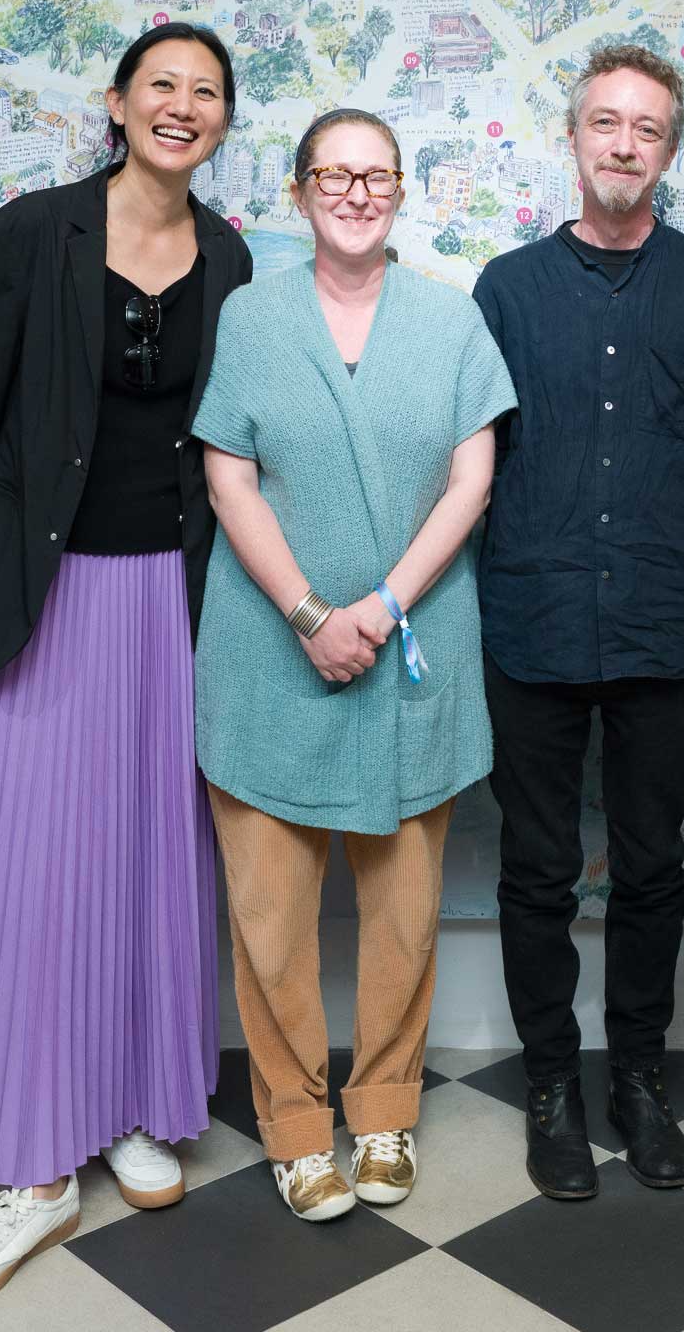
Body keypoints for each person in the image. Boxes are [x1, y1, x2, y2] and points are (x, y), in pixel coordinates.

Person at [0, 22, 252, 1307]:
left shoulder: (229, 255)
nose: (182, 105)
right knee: (31, 872)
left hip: (173, 598)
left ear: (223, 122)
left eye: (205, 92)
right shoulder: (30, 233)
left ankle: (129, 1107)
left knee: (150, 861)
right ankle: (31, 1167)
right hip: (39, 592)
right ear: (116, 103)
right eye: (161, 84)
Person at [193, 108, 517, 1223]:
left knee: (405, 913)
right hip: (267, 650)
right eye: (333, 175)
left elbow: (473, 481)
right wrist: (307, 612)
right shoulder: (251, 316)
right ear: (299, 193)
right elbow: (228, 477)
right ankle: (294, 1128)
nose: (356, 193)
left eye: (376, 176)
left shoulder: (451, 319)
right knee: (270, 916)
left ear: (401, 193)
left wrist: (378, 609)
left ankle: (383, 1113)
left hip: (410, 647)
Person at [474, 44, 684, 1199]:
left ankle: (638, 1081)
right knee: (537, 872)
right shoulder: (505, 289)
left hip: (659, 619)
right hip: (532, 617)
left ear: (670, 151)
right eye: (606, 123)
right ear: (574, 137)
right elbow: (477, 460)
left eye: (647, 128)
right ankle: (552, 1088)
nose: (624, 144)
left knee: (650, 870)